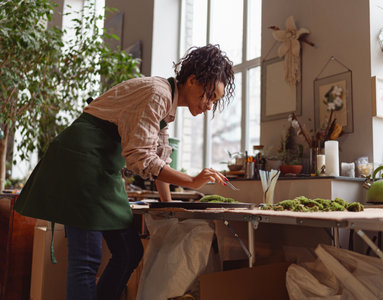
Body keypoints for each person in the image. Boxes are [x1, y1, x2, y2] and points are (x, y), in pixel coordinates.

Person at [13, 44, 235, 300]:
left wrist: (169, 207)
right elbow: (140, 158)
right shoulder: (158, 93)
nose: (209, 106)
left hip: (101, 166)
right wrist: (192, 181)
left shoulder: (169, 105)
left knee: (130, 251)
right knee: (86, 259)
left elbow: (159, 156)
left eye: (214, 101)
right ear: (193, 80)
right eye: (208, 95)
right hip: (80, 162)